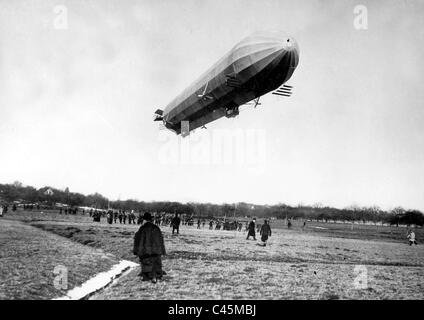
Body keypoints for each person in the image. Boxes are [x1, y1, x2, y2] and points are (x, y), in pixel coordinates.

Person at [133, 212, 166, 283]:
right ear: (150, 219)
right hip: (155, 250)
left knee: (146, 261)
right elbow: (160, 239)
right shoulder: (156, 227)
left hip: (145, 250)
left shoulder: (142, 228)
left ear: (144, 219)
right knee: (155, 262)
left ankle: (146, 276)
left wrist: (138, 249)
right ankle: (155, 276)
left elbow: (138, 238)